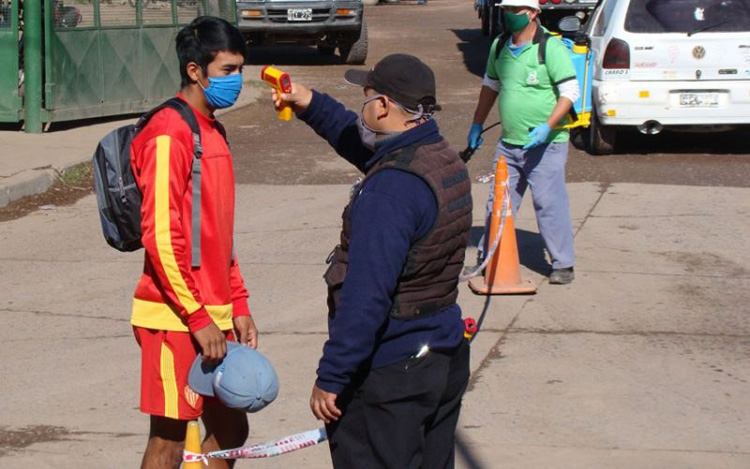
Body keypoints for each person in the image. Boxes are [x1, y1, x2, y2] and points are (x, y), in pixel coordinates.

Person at [272, 54, 472, 468]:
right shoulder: (436, 154)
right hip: (440, 352)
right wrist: (307, 100)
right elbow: (357, 141)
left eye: (366, 97)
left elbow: (366, 298)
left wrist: (332, 377)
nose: (363, 108)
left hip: (392, 373)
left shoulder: (390, 192)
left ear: (382, 105)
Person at [129, 16, 257, 469]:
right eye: (226, 70)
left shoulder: (213, 130)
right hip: (174, 317)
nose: (237, 81)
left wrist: (238, 304)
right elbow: (162, 237)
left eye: (240, 69)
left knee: (231, 428)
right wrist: (197, 316)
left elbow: (220, 235)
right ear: (194, 71)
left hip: (215, 315)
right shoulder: (168, 132)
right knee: (168, 439)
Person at [468, 0, 580, 284]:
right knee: (499, 202)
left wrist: (547, 126)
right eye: (506, 9)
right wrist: (477, 124)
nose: (508, 15)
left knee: (548, 203)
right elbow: (490, 85)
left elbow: (571, 92)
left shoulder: (549, 48)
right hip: (510, 143)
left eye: (514, 10)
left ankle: (563, 264)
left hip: (547, 144)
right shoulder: (500, 46)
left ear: (532, 13)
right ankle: (489, 256)